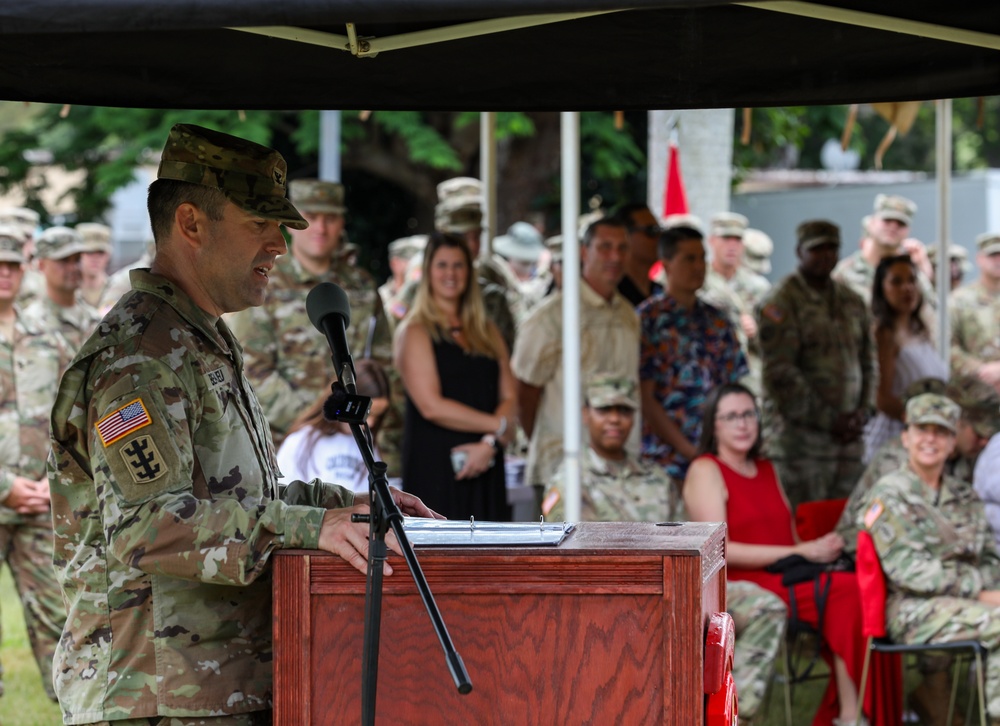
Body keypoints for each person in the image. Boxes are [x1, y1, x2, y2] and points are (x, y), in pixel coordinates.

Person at [47, 124, 439, 725]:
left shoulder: (198, 340)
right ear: (192, 224)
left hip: (210, 685)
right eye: (260, 223)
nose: (280, 245)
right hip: (151, 694)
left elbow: (241, 499)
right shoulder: (141, 356)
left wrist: (351, 507)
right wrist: (309, 526)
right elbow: (147, 525)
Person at [685, 383, 870, 726]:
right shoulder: (706, 469)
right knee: (843, 592)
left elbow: (790, 536)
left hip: (785, 575)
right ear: (714, 425)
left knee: (847, 585)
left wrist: (818, 551)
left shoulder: (768, 468)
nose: (743, 424)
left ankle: (849, 713)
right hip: (742, 583)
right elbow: (717, 549)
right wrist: (800, 550)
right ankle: (735, 716)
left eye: (749, 414)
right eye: (732, 416)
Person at [227, 178, 400, 476]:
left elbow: (384, 364)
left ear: (342, 222)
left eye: (330, 218)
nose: (320, 228)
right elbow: (251, 368)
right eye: (310, 217)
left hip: (355, 444)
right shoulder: (263, 282)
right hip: (285, 447)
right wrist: (320, 418)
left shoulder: (361, 287)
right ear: (291, 224)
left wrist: (359, 417)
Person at [861, 393, 1000, 726]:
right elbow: (910, 571)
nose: (930, 439)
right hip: (910, 609)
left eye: (941, 432)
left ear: (953, 442)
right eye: (922, 429)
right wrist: (982, 592)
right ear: (905, 436)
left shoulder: (964, 495)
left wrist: (991, 587)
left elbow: (988, 556)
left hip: (960, 604)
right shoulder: (888, 493)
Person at [512, 216, 640, 513]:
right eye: (605, 247)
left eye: (622, 248)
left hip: (619, 469)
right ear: (584, 252)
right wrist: (551, 440)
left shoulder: (629, 315)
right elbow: (524, 391)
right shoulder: (551, 317)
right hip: (562, 467)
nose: (615, 256)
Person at [394, 230, 515, 521]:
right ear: (428, 271)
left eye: (458, 265)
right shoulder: (415, 330)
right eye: (442, 265)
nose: (451, 273)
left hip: (486, 463)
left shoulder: (487, 331)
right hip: (435, 470)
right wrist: (498, 426)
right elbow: (431, 406)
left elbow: (511, 397)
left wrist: (489, 444)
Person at [757, 220, 875, 508]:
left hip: (848, 442)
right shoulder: (781, 302)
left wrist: (863, 412)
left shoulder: (852, 301)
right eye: (816, 248)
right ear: (799, 251)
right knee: (805, 529)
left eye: (831, 248)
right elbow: (780, 374)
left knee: (845, 527)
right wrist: (830, 419)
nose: (825, 255)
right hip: (801, 445)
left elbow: (869, 362)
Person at [0, 223, 70, 702]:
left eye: (11, 265)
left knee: (59, 624)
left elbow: (73, 414)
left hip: (40, 503)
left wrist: (58, 479)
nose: (3, 274)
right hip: (6, 488)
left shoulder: (46, 333)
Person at [639, 223, 748, 489]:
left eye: (701, 258)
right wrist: (690, 451)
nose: (699, 266)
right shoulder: (648, 320)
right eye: (689, 259)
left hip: (719, 457)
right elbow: (646, 398)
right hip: (666, 463)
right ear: (666, 264)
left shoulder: (717, 320)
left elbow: (735, 388)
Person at [542, 373, 680, 521]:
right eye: (604, 409)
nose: (614, 419)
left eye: (624, 410)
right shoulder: (570, 481)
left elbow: (683, 538)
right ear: (585, 414)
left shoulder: (658, 477)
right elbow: (575, 541)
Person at [863, 254, 947, 461]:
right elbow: (882, 399)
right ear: (881, 288)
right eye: (896, 282)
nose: (907, 288)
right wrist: (921, 421)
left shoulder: (921, 330)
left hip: (927, 436)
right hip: (897, 439)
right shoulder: (884, 335)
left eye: (911, 280)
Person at [276, 359, 392, 493]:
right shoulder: (300, 441)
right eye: (367, 413)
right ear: (345, 402)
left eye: (377, 416)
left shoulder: (368, 444)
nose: (370, 423)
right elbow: (283, 497)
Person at [699, 212, 770, 394]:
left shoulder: (758, 287)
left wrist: (757, 330)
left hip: (747, 378)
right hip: (706, 374)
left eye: (737, 239)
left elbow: (776, 338)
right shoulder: (697, 280)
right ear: (712, 241)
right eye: (726, 238)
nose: (732, 246)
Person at [833, 194, 934, 309]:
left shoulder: (912, 275)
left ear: (908, 231)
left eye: (901, 224)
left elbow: (931, 312)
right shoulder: (844, 273)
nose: (893, 226)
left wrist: (924, 273)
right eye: (887, 220)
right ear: (871, 224)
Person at [24, 225, 101, 351]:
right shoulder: (31, 324)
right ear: (42, 265)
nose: (73, 268)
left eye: (77, 260)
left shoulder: (94, 320)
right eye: (64, 260)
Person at [950, 232, 1000, 393]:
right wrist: (982, 369)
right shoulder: (958, 300)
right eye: (993, 255)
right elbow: (946, 346)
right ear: (979, 259)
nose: (998, 260)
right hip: (974, 403)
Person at [615, 202, 663, 306]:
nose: (659, 237)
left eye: (659, 230)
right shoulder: (612, 294)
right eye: (651, 231)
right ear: (625, 236)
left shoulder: (661, 293)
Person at [75, 222, 113, 310]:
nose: (95, 258)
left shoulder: (117, 289)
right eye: (89, 252)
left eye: (100, 252)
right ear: (78, 255)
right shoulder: (68, 290)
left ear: (108, 255)